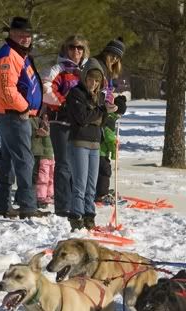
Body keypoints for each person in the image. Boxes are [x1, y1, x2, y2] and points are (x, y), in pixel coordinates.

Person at [0, 16, 47, 219]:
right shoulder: (9, 55)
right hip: (13, 114)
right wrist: (24, 107)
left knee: (8, 159)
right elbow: (7, 89)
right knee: (24, 160)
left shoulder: (20, 54)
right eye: (21, 34)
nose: (26, 38)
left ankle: (3, 204)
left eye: (28, 35)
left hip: (16, 113)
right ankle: (27, 206)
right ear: (11, 34)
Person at [42, 35, 90, 218]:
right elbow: (46, 89)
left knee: (78, 165)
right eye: (72, 47)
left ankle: (77, 203)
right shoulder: (58, 69)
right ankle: (62, 206)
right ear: (65, 49)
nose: (76, 51)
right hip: (60, 121)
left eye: (80, 48)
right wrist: (63, 104)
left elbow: (99, 90)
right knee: (63, 164)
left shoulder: (86, 69)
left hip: (80, 123)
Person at [65, 59, 109, 231]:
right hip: (79, 142)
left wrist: (101, 113)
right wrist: (100, 112)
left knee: (92, 184)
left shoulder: (100, 97)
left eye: (97, 81)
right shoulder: (76, 93)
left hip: (95, 143)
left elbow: (101, 121)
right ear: (85, 78)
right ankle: (76, 216)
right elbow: (82, 118)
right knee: (80, 184)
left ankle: (89, 216)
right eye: (90, 79)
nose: (93, 83)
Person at [92, 38, 126, 202]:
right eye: (112, 54)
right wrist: (107, 105)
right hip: (97, 117)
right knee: (100, 158)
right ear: (106, 52)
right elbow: (96, 93)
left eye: (117, 57)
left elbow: (108, 94)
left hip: (106, 117)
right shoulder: (97, 66)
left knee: (103, 156)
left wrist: (118, 105)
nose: (114, 59)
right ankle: (99, 192)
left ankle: (101, 189)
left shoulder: (108, 71)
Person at [30, 115, 55, 208]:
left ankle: (50, 194)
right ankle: (41, 196)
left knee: (51, 176)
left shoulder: (53, 124)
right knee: (43, 177)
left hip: (52, 155)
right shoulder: (40, 124)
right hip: (43, 155)